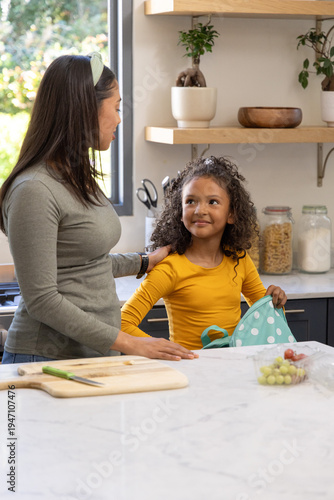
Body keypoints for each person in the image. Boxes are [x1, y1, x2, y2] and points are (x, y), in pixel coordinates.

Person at [0, 53, 197, 363]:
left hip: (92, 354)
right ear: (84, 109)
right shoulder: (34, 190)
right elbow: (42, 300)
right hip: (44, 361)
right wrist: (132, 343)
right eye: (116, 108)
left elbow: (86, 263)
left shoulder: (75, 175)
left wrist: (145, 261)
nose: (120, 118)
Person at [121, 156, 288, 351]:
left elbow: (268, 316)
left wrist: (276, 300)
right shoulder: (171, 268)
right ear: (179, 211)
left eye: (213, 202)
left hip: (233, 367)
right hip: (190, 370)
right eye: (191, 201)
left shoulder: (239, 260)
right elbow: (123, 322)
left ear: (231, 214)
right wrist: (161, 347)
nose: (200, 210)